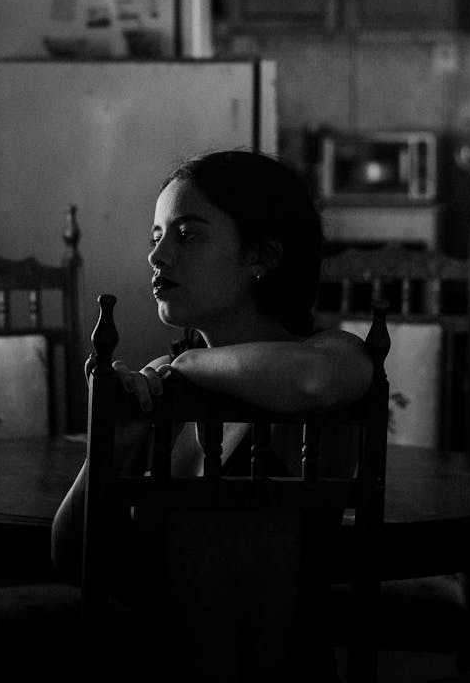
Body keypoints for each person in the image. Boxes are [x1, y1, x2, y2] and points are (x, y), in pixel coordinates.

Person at [52, 147, 372, 578]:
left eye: (186, 235)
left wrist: (188, 367)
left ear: (261, 257)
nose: (157, 256)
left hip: (271, 644)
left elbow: (318, 380)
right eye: (157, 236)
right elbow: (70, 556)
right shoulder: (161, 378)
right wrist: (113, 445)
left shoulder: (327, 352)